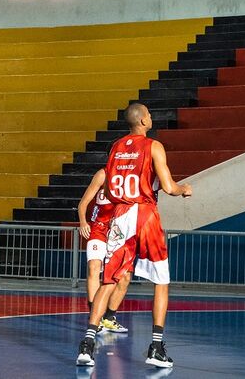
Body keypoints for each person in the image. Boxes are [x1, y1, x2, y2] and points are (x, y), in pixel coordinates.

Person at [76, 102, 192, 369]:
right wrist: (183, 188)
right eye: (149, 115)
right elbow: (167, 186)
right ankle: (156, 347)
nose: (151, 118)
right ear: (142, 121)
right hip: (144, 214)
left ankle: (87, 343)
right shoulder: (153, 146)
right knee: (161, 281)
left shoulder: (116, 148)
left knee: (109, 279)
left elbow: (113, 180)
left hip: (119, 215)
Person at [77, 168, 130, 333]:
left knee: (124, 277)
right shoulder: (103, 175)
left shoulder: (132, 176)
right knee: (94, 268)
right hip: (99, 229)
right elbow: (83, 202)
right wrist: (83, 222)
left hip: (119, 232)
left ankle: (109, 317)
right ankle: (95, 316)